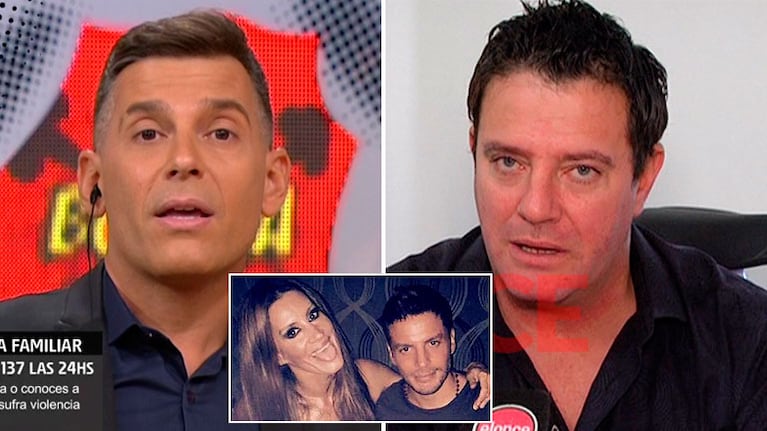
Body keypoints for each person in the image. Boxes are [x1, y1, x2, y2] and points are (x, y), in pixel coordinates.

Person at [388, 1, 767, 430]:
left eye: (581, 171)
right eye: (509, 162)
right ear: (475, 151)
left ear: (643, 178)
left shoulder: (746, 339)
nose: (536, 208)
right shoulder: (371, 320)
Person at [0, 10, 293, 431]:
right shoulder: (14, 353)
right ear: (94, 182)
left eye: (221, 133)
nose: (184, 160)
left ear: (272, 182)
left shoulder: (334, 376)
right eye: (149, 134)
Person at [232, 278, 490, 421]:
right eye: (293, 331)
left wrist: (475, 371)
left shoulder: (365, 376)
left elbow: (424, 381)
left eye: (313, 315)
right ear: (276, 355)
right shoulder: (256, 410)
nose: (319, 333)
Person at [375, 285, 490, 421]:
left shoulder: (486, 399)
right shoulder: (384, 408)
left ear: (452, 340)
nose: (422, 362)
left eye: (433, 343)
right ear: (391, 354)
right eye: (406, 349)